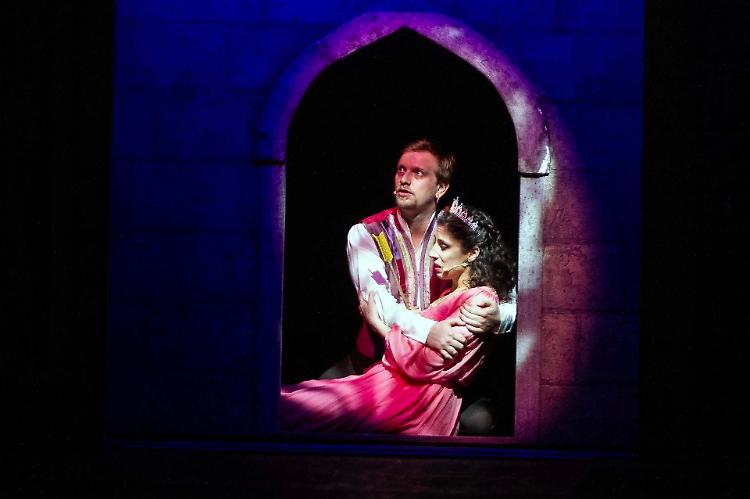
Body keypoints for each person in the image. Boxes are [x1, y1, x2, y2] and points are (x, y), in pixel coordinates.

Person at [319, 139, 517, 434]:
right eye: (401, 170)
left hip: (438, 374)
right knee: (308, 414)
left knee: (480, 422)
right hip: (376, 361)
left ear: (441, 188)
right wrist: (429, 332)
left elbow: (510, 292)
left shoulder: (456, 230)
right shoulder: (366, 233)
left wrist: (499, 317)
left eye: (419, 173)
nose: (405, 179)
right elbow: (379, 304)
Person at [280, 200, 516, 435]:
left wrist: (379, 326)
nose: (433, 253)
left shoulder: (479, 302)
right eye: (435, 243)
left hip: (417, 399)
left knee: (297, 411)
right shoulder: (450, 292)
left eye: (443, 246)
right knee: (295, 401)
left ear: (472, 253)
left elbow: (428, 363)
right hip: (400, 385)